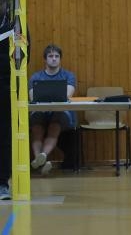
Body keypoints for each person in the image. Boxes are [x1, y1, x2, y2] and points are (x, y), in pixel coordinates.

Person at [28, 44, 76, 175]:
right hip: (41, 111)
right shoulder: (35, 77)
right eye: (50, 56)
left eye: (56, 56)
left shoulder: (68, 76)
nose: (54, 59)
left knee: (54, 126)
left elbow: (67, 95)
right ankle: (41, 160)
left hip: (61, 112)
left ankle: (42, 156)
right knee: (37, 128)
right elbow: (33, 97)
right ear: (45, 59)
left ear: (60, 59)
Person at [0, 0, 13, 198]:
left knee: (4, 134)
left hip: (6, 87)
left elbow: (23, 55)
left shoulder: (15, 21)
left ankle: (2, 183)